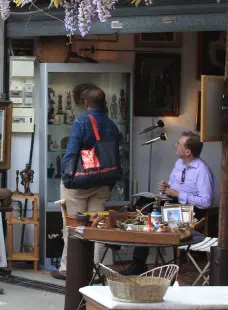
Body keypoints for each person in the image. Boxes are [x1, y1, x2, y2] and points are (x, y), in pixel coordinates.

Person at [53, 83, 122, 281]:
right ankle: (96, 270)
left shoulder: (82, 122)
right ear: (103, 103)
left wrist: (67, 177)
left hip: (80, 183)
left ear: (86, 103)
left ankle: (70, 269)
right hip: (102, 183)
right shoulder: (112, 124)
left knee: (74, 226)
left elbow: (72, 152)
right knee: (97, 225)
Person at [125, 131, 214, 275]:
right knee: (141, 204)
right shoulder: (179, 163)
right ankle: (134, 258)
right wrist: (165, 189)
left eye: (178, 144)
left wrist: (178, 194)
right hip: (173, 204)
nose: (175, 146)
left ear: (188, 151)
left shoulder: (202, 171)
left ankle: (138, 264)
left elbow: (206, 202)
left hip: (191, 212)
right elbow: (171, 189)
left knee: (149, 215)